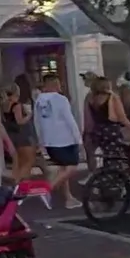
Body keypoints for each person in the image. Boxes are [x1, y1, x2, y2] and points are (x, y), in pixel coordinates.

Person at [34, 72, 84, 209]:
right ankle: (47, 189)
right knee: (71, 167)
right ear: (55, 84)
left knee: (63, 168)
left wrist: (41, 140)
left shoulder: (39, 100)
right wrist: (79, 139)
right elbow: (70, 120)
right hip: (65, 139)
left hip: (49, 141)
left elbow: (37, 122)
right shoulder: (61, 99)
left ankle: (69, 198)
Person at [84, 76, 130, 171]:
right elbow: (122, 117)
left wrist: (87, 133)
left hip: (97, 130)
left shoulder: (90, 98)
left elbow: (88, 119)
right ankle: (113, 174)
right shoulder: (113, 97)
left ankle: (95, 174)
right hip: (111, 130)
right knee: (114, 156)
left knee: (93, 154)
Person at [2, 83, 37, 182]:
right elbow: (20, 121)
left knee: (17, 160)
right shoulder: (17, 105)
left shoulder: (5, 104)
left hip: (11, 134)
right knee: (28, 160)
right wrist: (29, 115)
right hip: (21, 135)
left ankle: (16, 181)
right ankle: (22, 182)